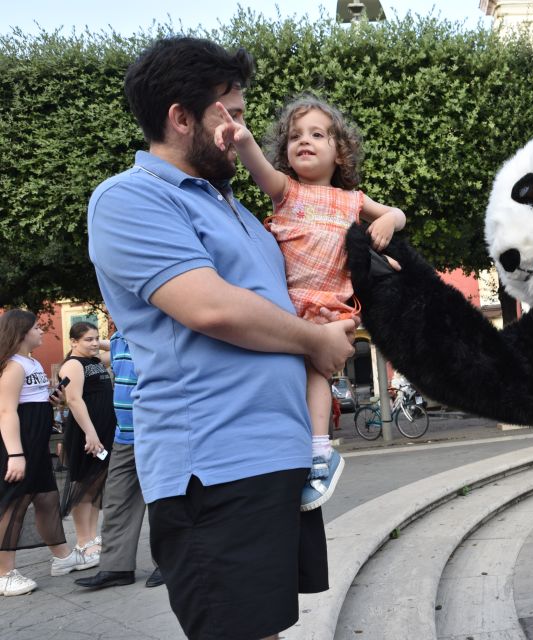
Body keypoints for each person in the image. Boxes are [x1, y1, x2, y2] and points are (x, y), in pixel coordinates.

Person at [87, 36, 357, 640]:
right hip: (213, 468)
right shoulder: (130, 198)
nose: (241, 130)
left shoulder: (236, 207)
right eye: (228, 114)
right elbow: (209, 307)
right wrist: (315, 344)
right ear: (180, 118)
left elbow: (293, 296)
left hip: (275, 458)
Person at [213, 94, 406, 510]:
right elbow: (258, 169)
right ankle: (297, 451)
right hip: (285, 304)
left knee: (315, 376)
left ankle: (320, 453)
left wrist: (389, 218)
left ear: (340, 153)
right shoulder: (288, 193)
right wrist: (242, 140)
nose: (305, 141)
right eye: (295, 136)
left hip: (326, 307)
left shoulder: (354, 201)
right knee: (286, 377)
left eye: (318, 135)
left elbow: (396, 213)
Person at [0, 310, 86, 596]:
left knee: (47, 498)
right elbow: (6, 411)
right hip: (20, 444)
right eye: (37, 328)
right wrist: (15, 454)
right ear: (22, 332)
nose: (41, 332)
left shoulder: (32, 361)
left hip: (35, 442)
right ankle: (3, 574)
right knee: (14, 504)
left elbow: (32, 401)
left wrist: (51, 399)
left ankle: (62, 557)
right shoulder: (13, 365)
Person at [75, 331, 163, 590]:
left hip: (156, 432)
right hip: (124, 435)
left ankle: (169, 564)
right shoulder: (116, 339)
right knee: (116, 501)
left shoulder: (152, 331)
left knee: (162, 501)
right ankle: (116, 568)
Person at [58, 321, 116, 569]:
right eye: (88, 340)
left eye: (96, 338)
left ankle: (93, 537)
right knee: (83, 486)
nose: (94, 343)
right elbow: (73, 400)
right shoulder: (73, 364)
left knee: (94, 485)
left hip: (103, 431)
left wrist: (96, 344)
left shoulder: (95, 360)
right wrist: (90, 434)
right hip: (87, 433)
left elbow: (119, 349)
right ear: (73, 342)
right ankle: (83, 542)